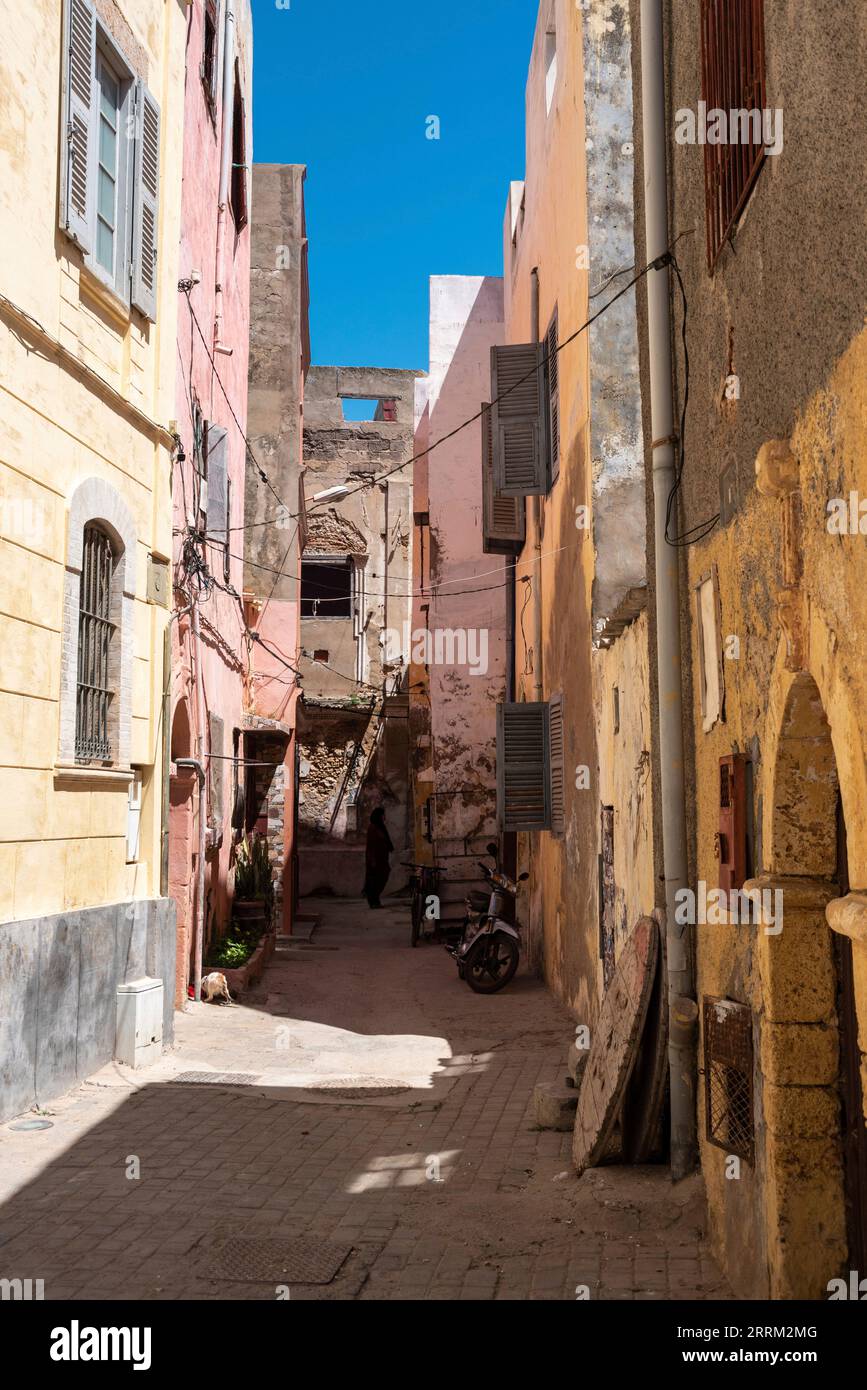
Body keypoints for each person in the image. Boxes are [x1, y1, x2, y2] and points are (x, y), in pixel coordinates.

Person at [363, 806, 393, 909]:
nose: (384, 817)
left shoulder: (381, 827)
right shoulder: (373, 828)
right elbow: (371, 846)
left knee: (381, 878)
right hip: (375, 860)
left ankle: (375, 899)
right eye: (383, 815)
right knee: (375, 881)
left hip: (382, 860)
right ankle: (373, 901)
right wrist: (372, 861)